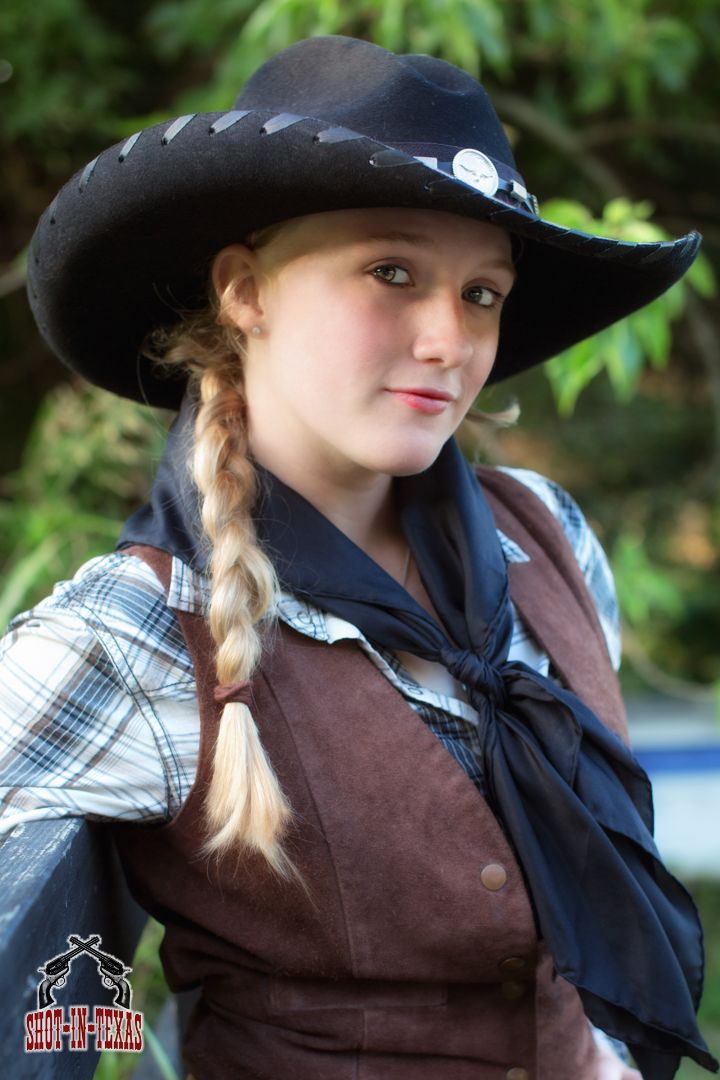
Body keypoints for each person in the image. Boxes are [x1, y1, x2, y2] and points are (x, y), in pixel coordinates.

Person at [1, 34, 717, 1080]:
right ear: (245, 290)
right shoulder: (133, 636)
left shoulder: (549, 540)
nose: (449, 340)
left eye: (482, 293)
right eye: (392, 272)